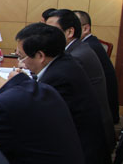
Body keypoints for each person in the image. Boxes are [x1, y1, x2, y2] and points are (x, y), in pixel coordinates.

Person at [14, 23, 113, 164]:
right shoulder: (62, 63)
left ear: (40, 56)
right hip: (78, 154)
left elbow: (36, 122)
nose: (20, 62)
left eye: (21, 56)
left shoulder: (59, 77)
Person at [46, 9, 115, 151]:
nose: (45, 35)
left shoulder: (76, 57)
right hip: (91, 127)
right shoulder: (77, 48)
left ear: (69, 32)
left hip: (89, 137)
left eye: (51, 30)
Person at [75, 9, 119, 124]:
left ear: (85, 28)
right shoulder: (90, 43)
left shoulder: (87, 48)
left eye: (72, 27)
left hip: (103, 116)